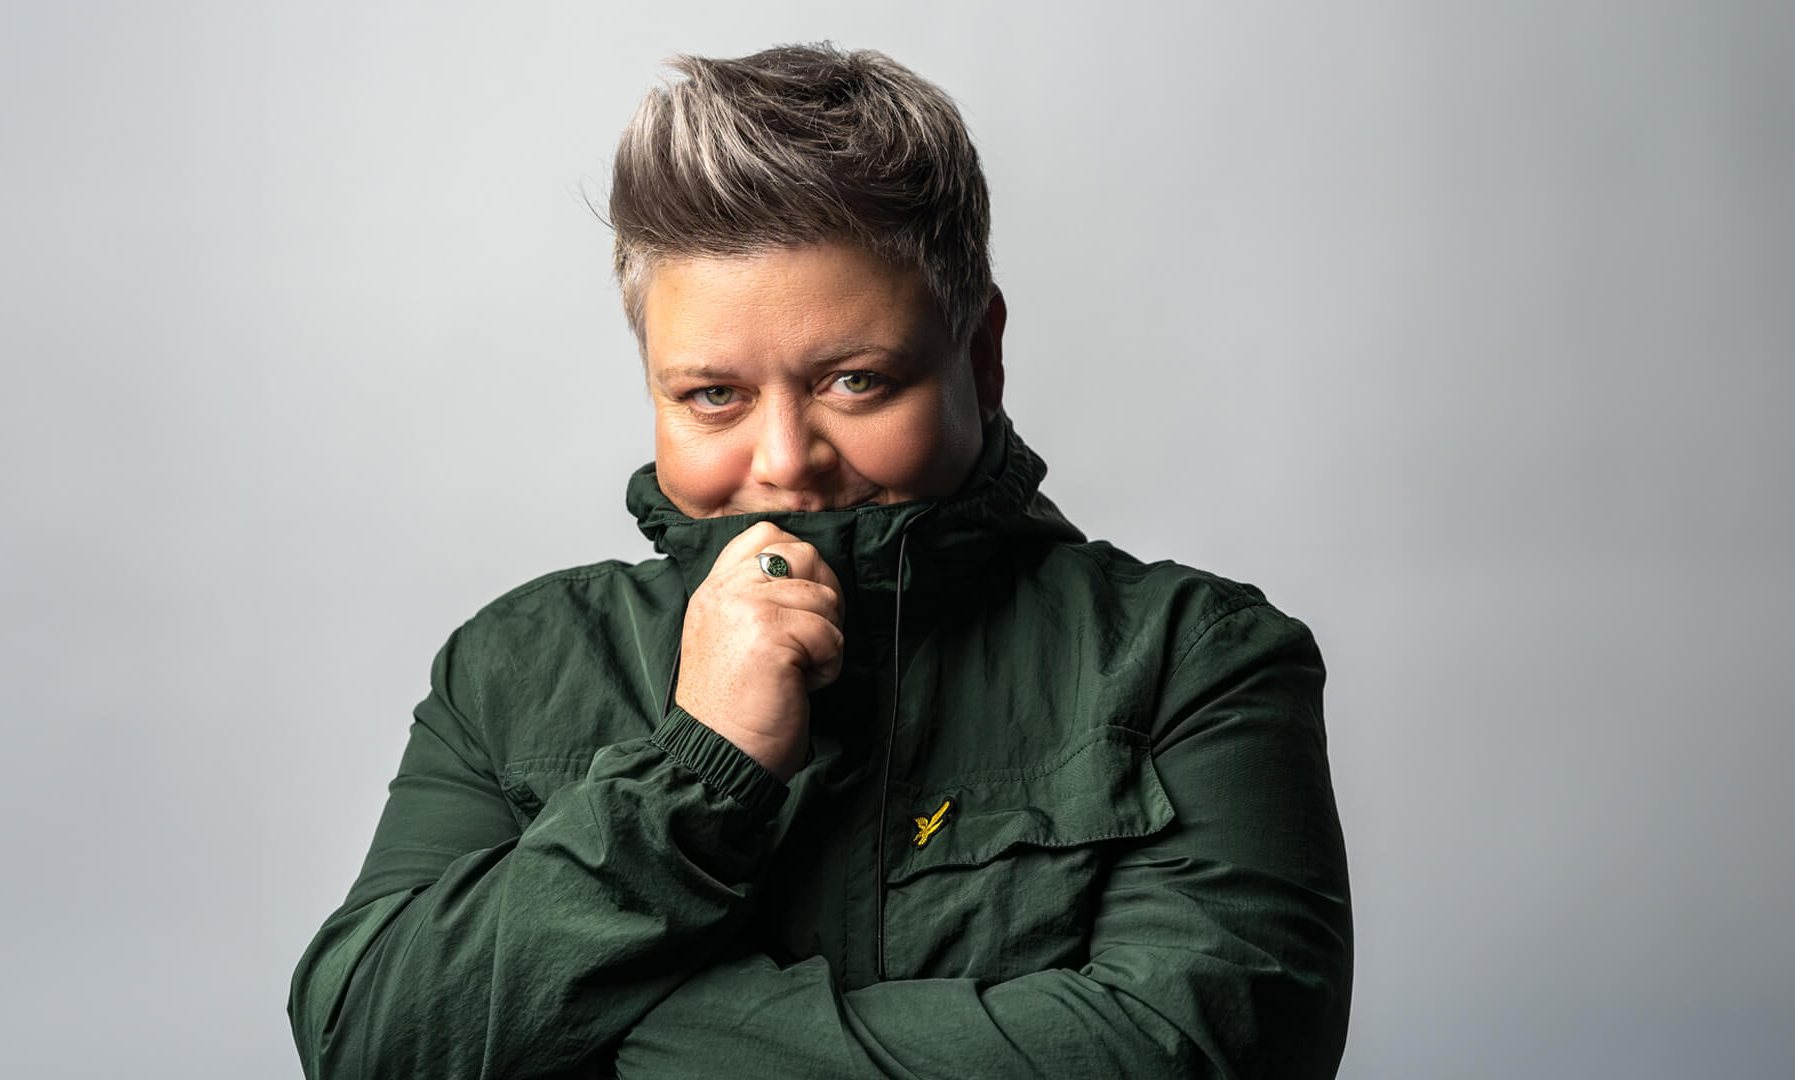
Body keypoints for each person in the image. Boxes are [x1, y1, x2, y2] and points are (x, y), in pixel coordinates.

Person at [289, 43, 1351, 1079]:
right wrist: (701, 767)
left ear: (981, 354)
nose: (786, 461)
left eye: (854, 381)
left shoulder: (1195, 664)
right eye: (715, 395)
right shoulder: (514, 668)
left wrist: (623, 1038)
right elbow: (367, 1045)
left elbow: (1211, 1047)